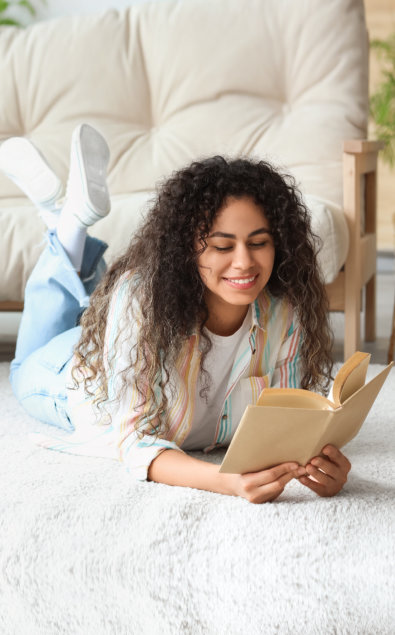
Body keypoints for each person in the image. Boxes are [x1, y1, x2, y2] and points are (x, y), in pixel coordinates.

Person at [0, 124, 351, 504]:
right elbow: (134, 441)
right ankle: (65, 226)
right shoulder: (143, 300)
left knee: (100, 307)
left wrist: (322, 468)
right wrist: (225, 479)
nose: (244, 262)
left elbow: (285, 421)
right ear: (188, 250)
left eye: (259, 243)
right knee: (22, 369)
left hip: (121, 334)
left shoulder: (284, 310)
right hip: (72, 373)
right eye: (221, 246)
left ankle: (64, 226)